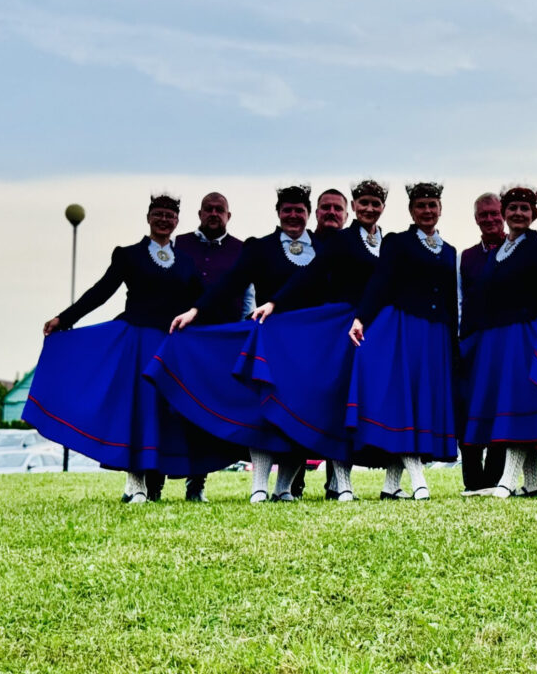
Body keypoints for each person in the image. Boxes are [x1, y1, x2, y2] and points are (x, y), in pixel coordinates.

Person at [24, 194, 237, 503]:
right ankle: (136, 486)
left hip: (169, 350)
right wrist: (65, 318)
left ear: (177, 221)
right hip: (136, 345)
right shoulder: (128, 255)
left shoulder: (186, 262)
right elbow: (101, 291)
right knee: (136, 413)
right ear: (148, 217)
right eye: (158, 214)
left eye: (170, 215)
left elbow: (204, 302)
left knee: (165, 416)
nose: (164, 219)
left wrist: (234, 332)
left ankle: (158, 486)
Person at [152, 185, 321, 504]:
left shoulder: (323, 248)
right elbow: (231, 283)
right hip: (269, 342)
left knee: (303, 415)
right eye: (287, 209)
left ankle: (284, 488)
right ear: (278, 213)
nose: (293, 215)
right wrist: (196, 310)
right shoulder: (260, 247)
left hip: (311, 345)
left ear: (308, 214)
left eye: (299, 210)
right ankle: (257, 487)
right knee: (263, 414)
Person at [244, 179, 398, 501]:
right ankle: (340, 484)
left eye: (376, 203)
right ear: (355, 206)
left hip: (378, 330)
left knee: (370, 402)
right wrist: (274, 303)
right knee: (337, 402)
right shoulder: (341, 240)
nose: (369, 208)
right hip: (342, 329)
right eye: (364, 202)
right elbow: (310, 273)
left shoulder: (390, 242)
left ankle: (381, 482)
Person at [347, 182, 458, 500]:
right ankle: (418, 479)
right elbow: (380, 281)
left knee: (422, 406)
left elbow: (452, 299)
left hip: (436, 337)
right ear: (411, 210)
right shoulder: (397, 242)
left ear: (440, 209)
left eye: (432, 205)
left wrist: (453, 340)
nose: (427, 211)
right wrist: (361, 318)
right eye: (421, 205)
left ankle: (391, 486)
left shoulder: (450, 251)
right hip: (404, 331)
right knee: (404, 404)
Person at [460, 186, 537, 498]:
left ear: (534, 214)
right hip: (497, 341)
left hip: (523, 337)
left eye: (524, 208)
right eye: (513, 208)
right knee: (511, 405)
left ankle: (507, 481)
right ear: (505, 213)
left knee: (519, 404)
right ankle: (532, 484)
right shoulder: (499, 252)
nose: (518, 213)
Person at [159, 191, 250, 502]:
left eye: (219, 210)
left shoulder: (241, 249)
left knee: (206, 414)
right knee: (170, 408)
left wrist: (243, 330)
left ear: (228, 215)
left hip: (222, 342)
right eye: (208, 209)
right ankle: (155, 482)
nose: (214, 214)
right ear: (199, 214)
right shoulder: (179, 244)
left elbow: (247, 294)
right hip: (182, 341)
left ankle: (196, 484)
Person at [456, 193, 508, 493]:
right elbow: (459, 299)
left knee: (499, 406)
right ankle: (472, 480)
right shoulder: (465, 257)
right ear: (476, 218)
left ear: (503, 215)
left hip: (503, 342)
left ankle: (493, 479)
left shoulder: (515, 251)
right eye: (483, 214)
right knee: (469, 407)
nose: (489, 219)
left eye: (494, 213)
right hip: (472, 342)